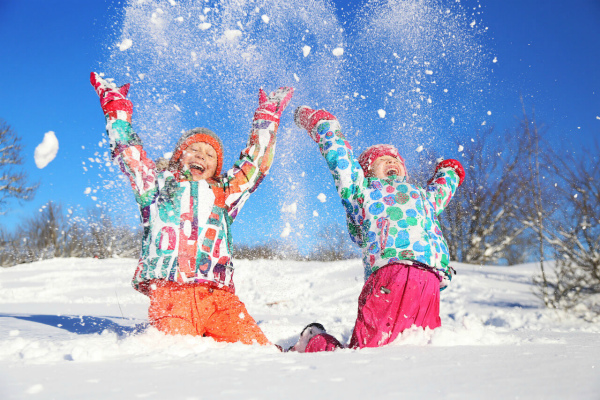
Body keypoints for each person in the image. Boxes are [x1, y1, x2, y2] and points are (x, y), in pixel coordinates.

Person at [90, 72, 293, 345]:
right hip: (172, 296)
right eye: (193, 150)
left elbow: (255, 166)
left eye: (210, 155)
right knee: (175, 356)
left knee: (258, 352)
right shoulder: (156, 187)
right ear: (178, 158)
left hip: (219, 298)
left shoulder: (223, 194)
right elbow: (129, 154)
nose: (201, 156)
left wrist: (266, 120)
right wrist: (117, 112)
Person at [293, 105, 464, 349]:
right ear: (367, 171)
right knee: (368, 352)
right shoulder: (362, 192)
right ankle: (316, 343)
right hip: (389, 274)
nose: (391, 161)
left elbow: (441, 192)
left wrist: (449, 172)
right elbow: (341, 160)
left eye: (395, 160)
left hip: (429, 282)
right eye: (383, 160)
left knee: (420, 348)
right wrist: (323, 124)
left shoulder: (421, 197)